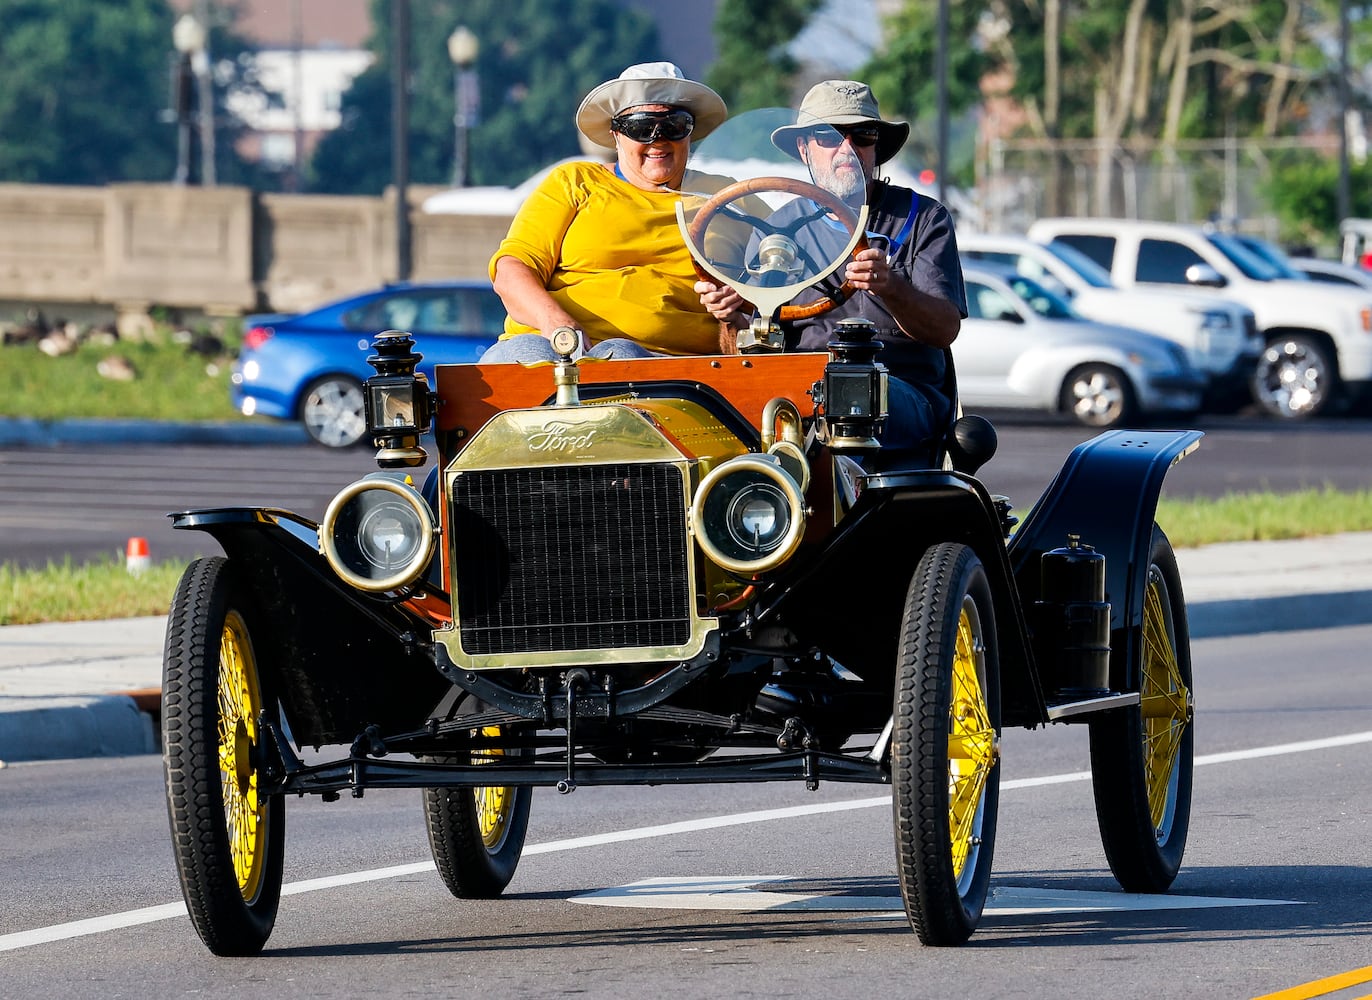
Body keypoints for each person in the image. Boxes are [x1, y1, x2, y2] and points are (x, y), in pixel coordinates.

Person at [697, 80, 967, 458]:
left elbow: (944, 329)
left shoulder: (923, 218)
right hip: (803, 391)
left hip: (900, 392)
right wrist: (729, 317)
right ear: (804, 148)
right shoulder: (778, 228)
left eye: (863, 135)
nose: (847, 149)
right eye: (829, 136)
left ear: (877, 149)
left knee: (851, 390)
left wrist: (891, 286)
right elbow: (751, 354)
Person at [483, 62, 740, 363]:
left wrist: (740, 299)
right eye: (642, 128)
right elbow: (512, 270)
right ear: (616, 134)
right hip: (550, 343)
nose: (658, 140)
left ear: (690, 133)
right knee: (521, 363)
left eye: (674, 126)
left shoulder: (728, 197)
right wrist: (556, 323)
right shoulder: (574, 182)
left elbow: (778, 280)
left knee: (621, 356)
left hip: (666, 364)